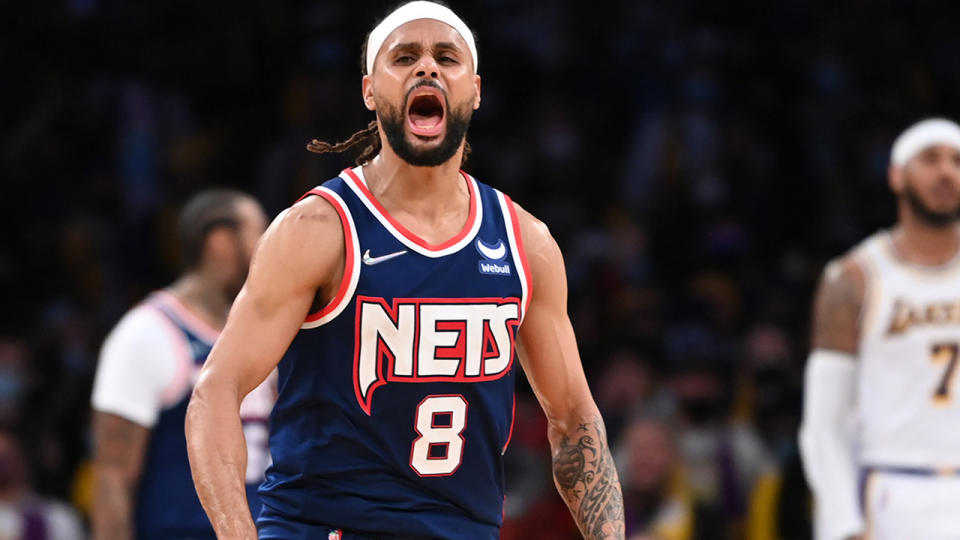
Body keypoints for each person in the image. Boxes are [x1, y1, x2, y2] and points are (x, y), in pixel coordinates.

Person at [184, 2, 625, 539]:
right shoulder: (318, 229)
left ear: (477, 89)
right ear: (370, 90)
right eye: (404, 57)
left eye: (446, 56)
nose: (427, 68)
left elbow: (574, 420)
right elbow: (217, 390)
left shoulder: (523, 241)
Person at [799, 118, 960, 540]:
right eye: (930, 160)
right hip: (892, 492)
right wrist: (842, 524)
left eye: (957, 161)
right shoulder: (854, 279)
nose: (946, 172)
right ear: (896, 175)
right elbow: (824, 422)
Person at [90, 189, 272, 540]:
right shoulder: (144, 334)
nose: (270, 248)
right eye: (259, 233)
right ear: (221, 241)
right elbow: (112, 476)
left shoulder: (264, 330)